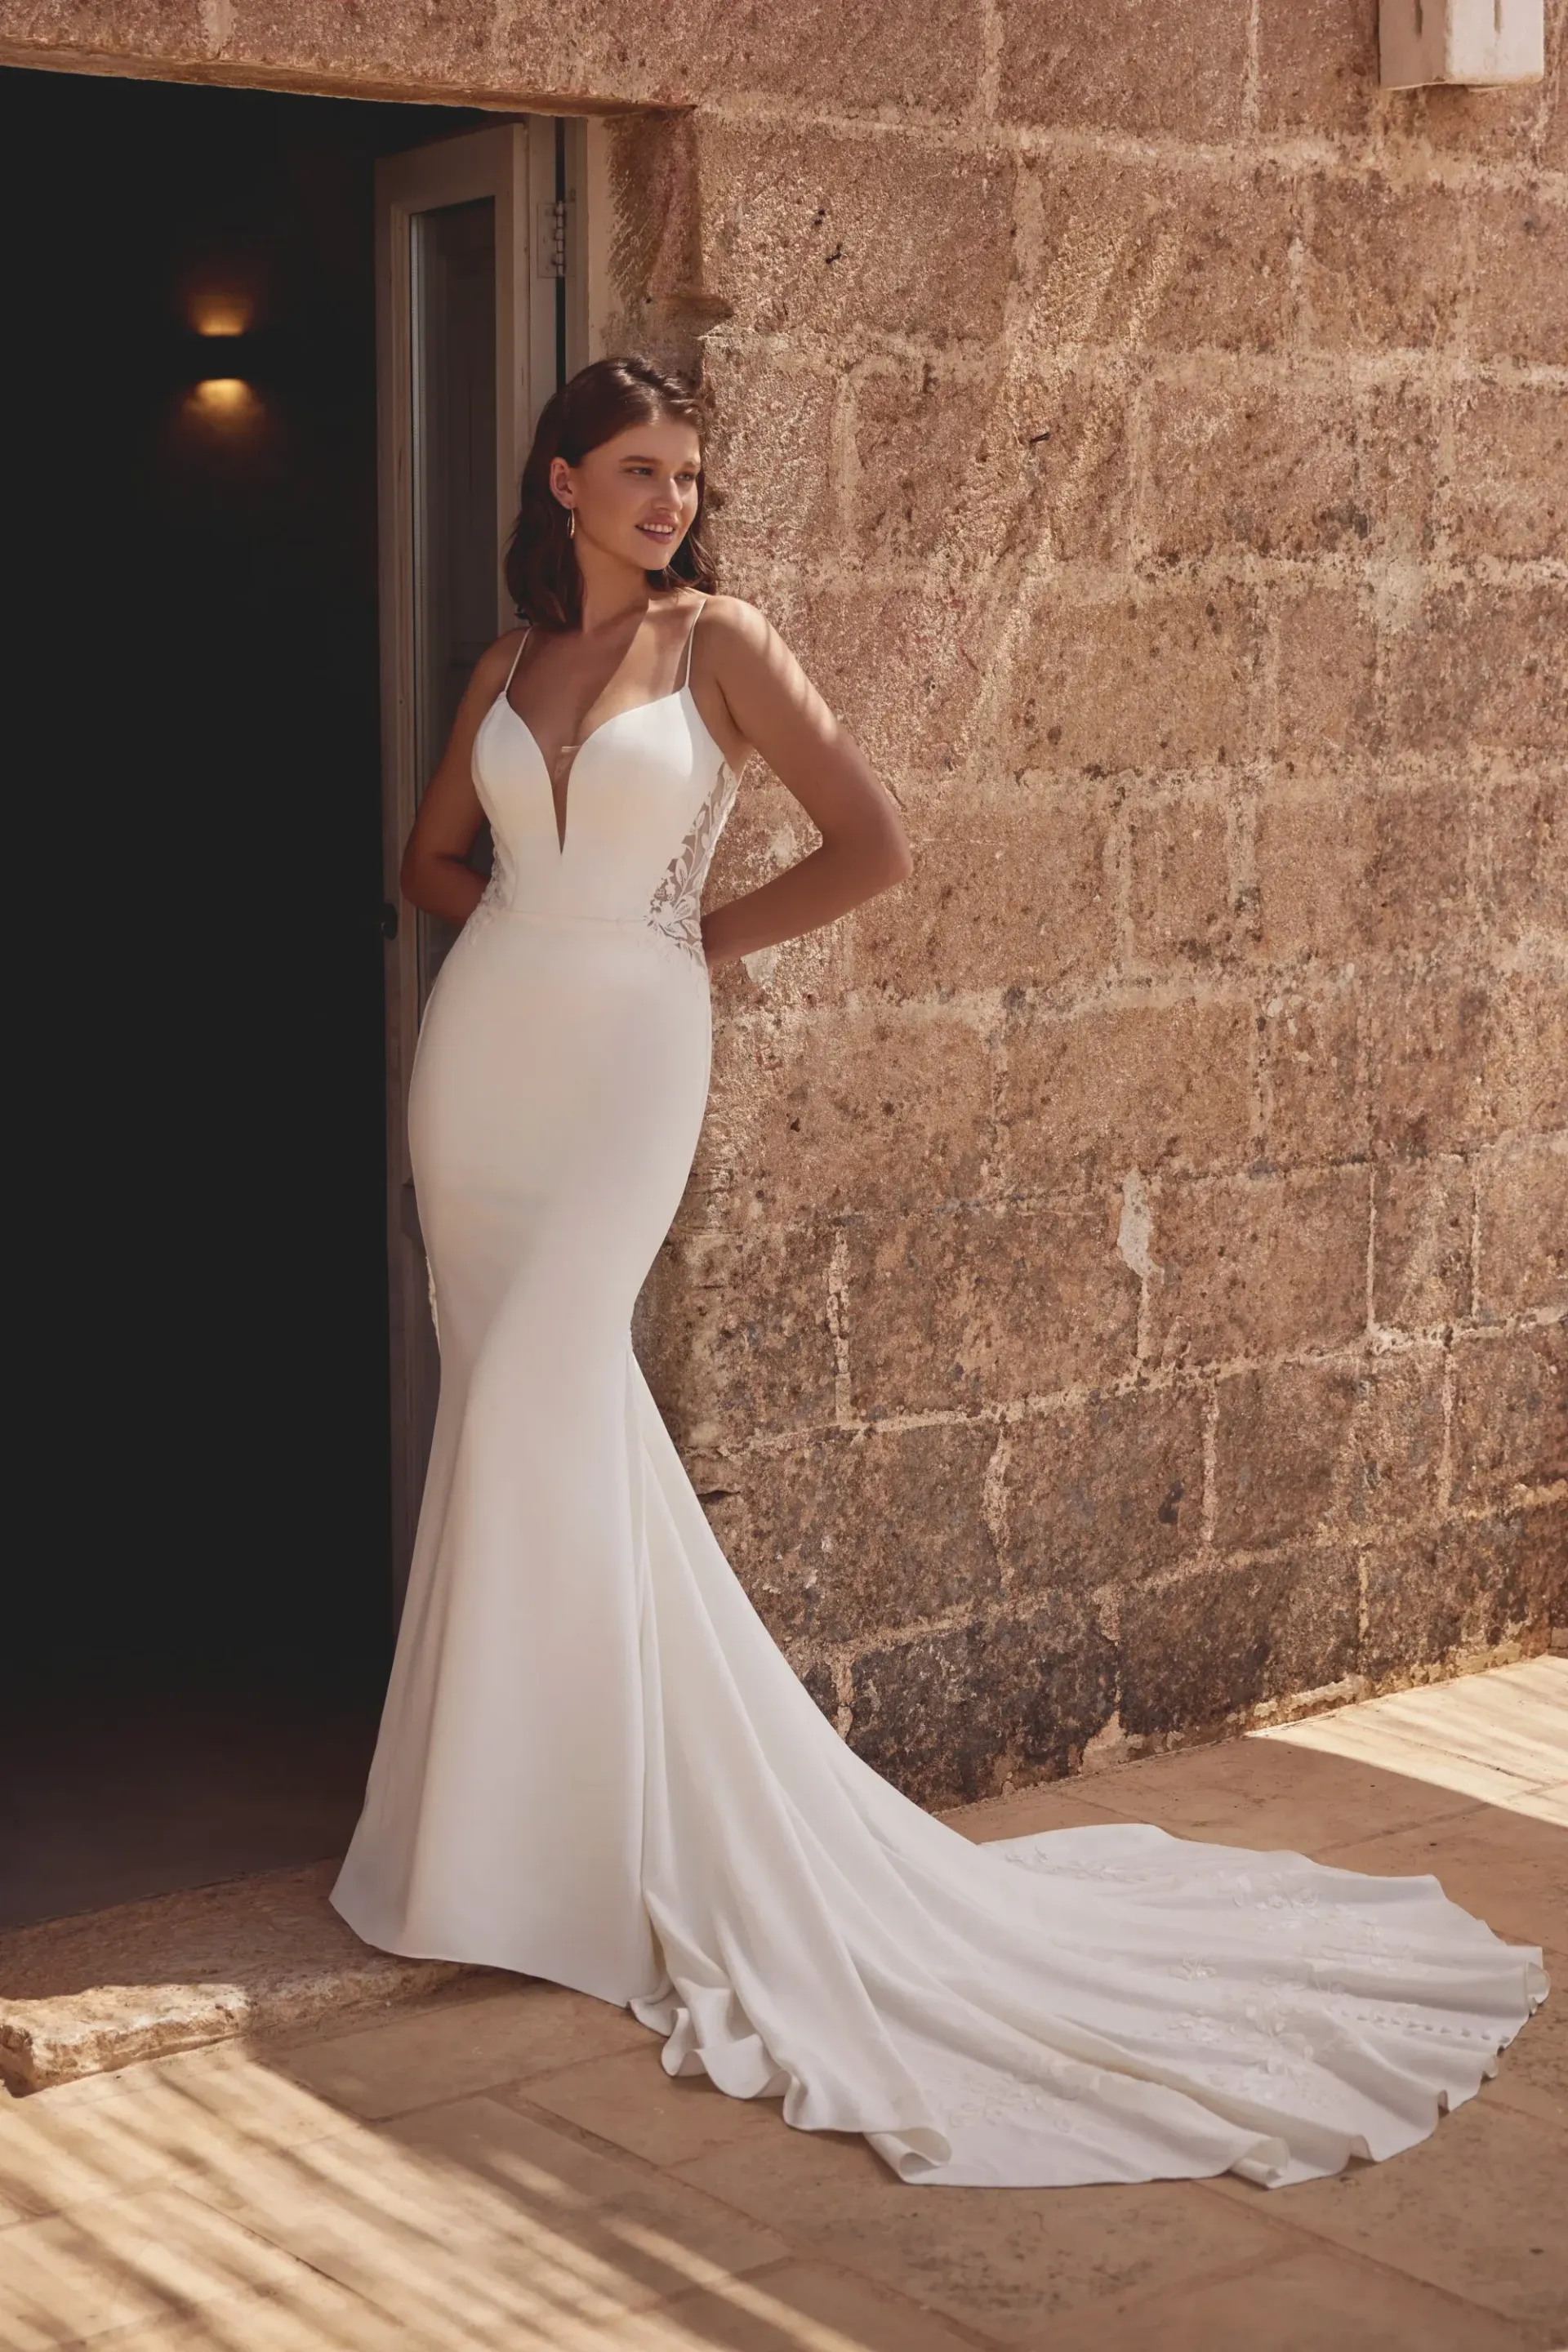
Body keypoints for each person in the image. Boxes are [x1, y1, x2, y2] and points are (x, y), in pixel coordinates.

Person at [332, 356, 1545, 2189]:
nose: (672, 500)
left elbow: (875, 843)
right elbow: (433, 858)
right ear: (561, 479)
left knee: (540, 1396)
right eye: (641, 472)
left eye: (689, 477)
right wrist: (527, 926)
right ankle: (511, 1838)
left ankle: (560, 1851)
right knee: (530, 1427)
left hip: (632, 1065)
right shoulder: (506, 673)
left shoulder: (718, 641)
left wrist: (677, 947)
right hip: (484, 1071)